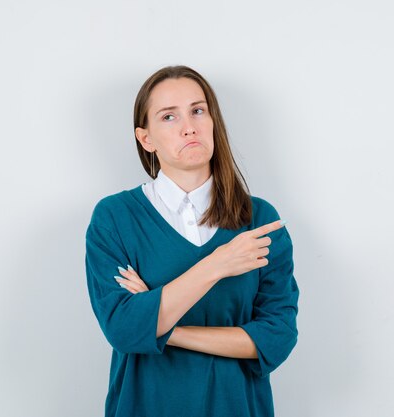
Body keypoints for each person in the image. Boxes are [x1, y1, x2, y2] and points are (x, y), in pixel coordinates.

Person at [84, 65, 299, 417]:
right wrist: (217, 265)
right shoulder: (115, 218)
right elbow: (122, 329)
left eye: (198, 110)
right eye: (169, 117)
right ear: (146, 138)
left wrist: (163, 326)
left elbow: (276, 337)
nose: (189, 126)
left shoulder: (258, 220)